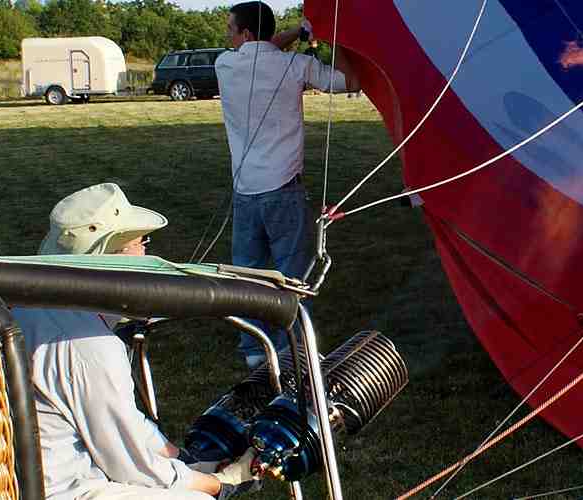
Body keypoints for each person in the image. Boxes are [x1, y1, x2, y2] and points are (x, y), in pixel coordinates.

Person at [18, 183, 258, 500]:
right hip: (61, 489)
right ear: (111, 259)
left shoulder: (33, 305)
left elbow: (123, 419)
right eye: (140, 244)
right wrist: (221, 483)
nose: (147, 253)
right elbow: (131, 466)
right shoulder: (90, 346)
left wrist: (182, 459)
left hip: (28, 473)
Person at [217, 1, 359, 369]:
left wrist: (299, 32)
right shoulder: (293, 65)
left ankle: (253, 353)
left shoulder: (225, 64)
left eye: (231, 29)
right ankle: (291, 351)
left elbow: (262, 49)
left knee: (246, 274)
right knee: (291, 276)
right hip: (283, 187)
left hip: (246, 189)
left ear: (246, 34)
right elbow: (349, 81)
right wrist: (332, 37)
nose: (228, 36)